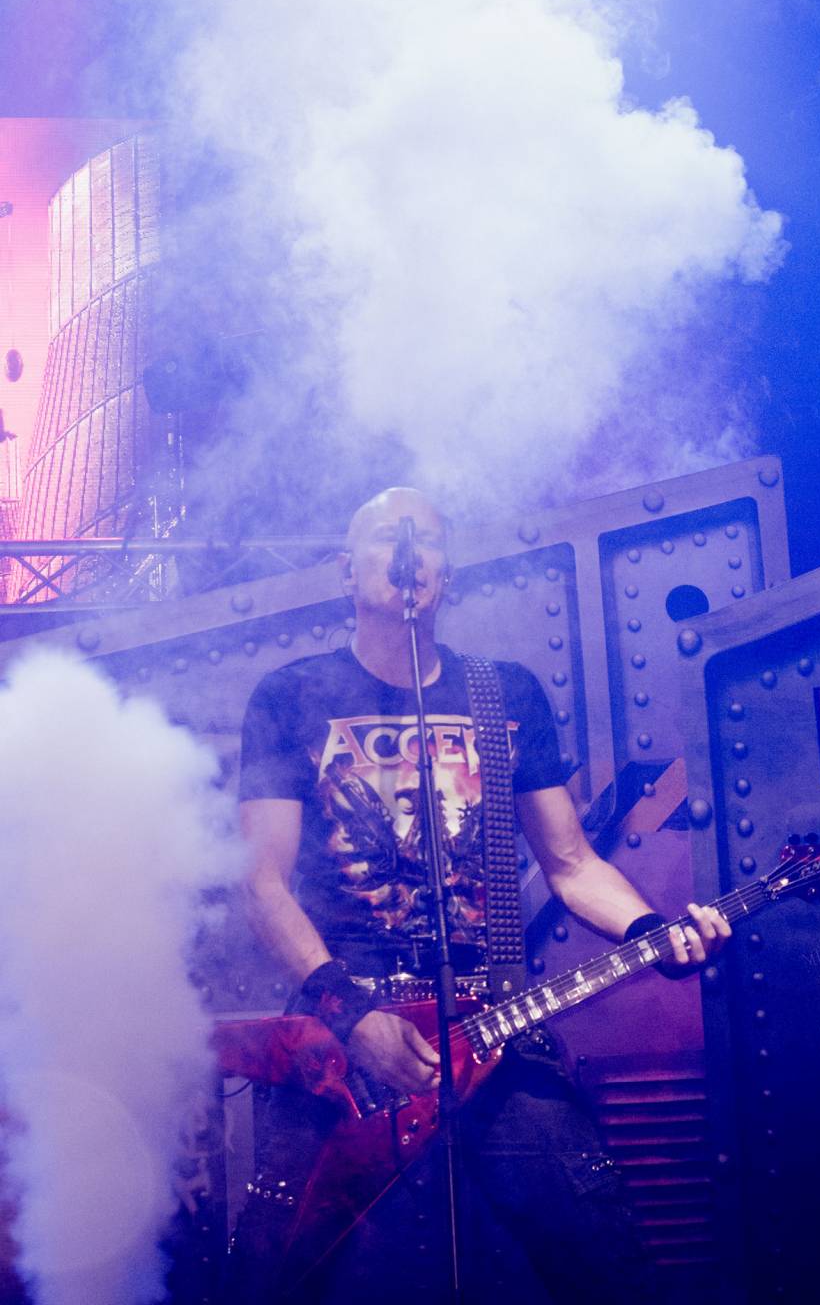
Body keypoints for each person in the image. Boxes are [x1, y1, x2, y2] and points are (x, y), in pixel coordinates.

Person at [230, 486, 730, 1304]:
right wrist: (354, 1016)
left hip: (488, 1021)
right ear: (345, 571)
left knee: (601, 1250)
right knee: (272, 1271)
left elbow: (571, 864)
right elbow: (262, 884)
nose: (408, 554)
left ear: (449, 575)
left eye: (426, 540)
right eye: (387, 538)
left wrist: (653, 931)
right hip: (338, 1029)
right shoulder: (291, 697)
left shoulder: (503, 695)